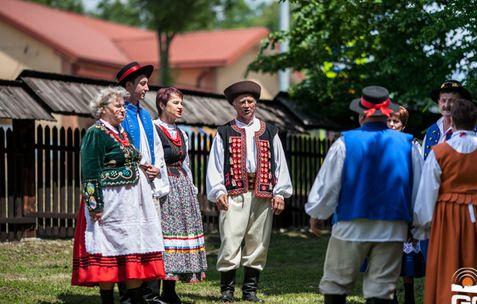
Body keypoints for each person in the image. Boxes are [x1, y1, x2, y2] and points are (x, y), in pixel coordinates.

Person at [306, 86, 423, 304]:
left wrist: (317, 213)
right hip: (393, 226)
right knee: (381, 289)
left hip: (351, 224)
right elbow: (418, 189)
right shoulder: (409, 145)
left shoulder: (344, 143)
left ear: (361, 115)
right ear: (388, 113)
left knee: (336, 282)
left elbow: (329, 184)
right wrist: (417, 225)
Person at [413, 99, 477, 304]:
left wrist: (422, 226)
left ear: (451, 122)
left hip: (448, 219)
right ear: (476, 119)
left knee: (451, 266)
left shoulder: (438, 153)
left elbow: (426, 195)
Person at [71, 87, 165, 304]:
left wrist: (143, 167)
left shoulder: (121, 131)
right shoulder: (96, 133)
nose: (123, 109)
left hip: (129, 203)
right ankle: (107, 301)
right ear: (103, 109)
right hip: (111, 202)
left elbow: (130, 158)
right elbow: (90, 169)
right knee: (109, 252)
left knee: (130, 249)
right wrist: (95, 205)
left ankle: (135, 299)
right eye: (118, 106)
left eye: (124, 106)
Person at [206, 80, 293, 302]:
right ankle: (227, 291)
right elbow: (215, 164)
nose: (247, 105)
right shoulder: (224, 132)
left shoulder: (269, 131)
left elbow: (279, 163)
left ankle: (250, 291)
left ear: (256, 104)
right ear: (234, 105)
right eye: (242, 102)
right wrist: (218, 191)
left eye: (251, 101)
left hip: (263, 192)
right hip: (234, 193)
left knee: (258, 241)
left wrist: (280, 193)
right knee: (231, 239)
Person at [116, 62, 170, 304]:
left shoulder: (146, 115)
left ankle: (150, 293)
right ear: (129, 86)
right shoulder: (118, 115)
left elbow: (156, 149)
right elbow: (117, 150)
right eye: (142, 83)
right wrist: (138, 168)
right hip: (128, 187)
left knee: (151, 237)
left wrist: (157, 168)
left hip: (148, 186)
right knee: (129, 237)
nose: (147, 87)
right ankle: (129, 294)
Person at [153, 87, 208, 303]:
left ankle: (169, 289)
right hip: (163, 187)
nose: (180, 107)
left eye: (181, 103)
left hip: (182, 187)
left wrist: (191, 187)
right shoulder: (154, 129)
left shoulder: (182, 133)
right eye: (175, 103)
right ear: (161, 105)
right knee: (164, 236)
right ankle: (153, 290)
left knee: (179, 236)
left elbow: (186, 163)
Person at [387, 106, 423, 304]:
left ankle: (409, 295)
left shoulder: (412, 145)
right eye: (389, 121)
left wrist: (415, 214)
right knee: (388, 256)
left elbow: (418, 178)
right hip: (385, 208)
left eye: (396, 122)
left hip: (405, 204)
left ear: (404, 125)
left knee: (406, 256)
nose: (392, 125)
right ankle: (391, 297)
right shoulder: (379, 143)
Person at [422, 80, 477, 159]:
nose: (446, 105)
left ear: (461, 104)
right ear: (438, 102)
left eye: (451, 101)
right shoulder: (431, 132)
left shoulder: (476, 132)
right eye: (443, 100)